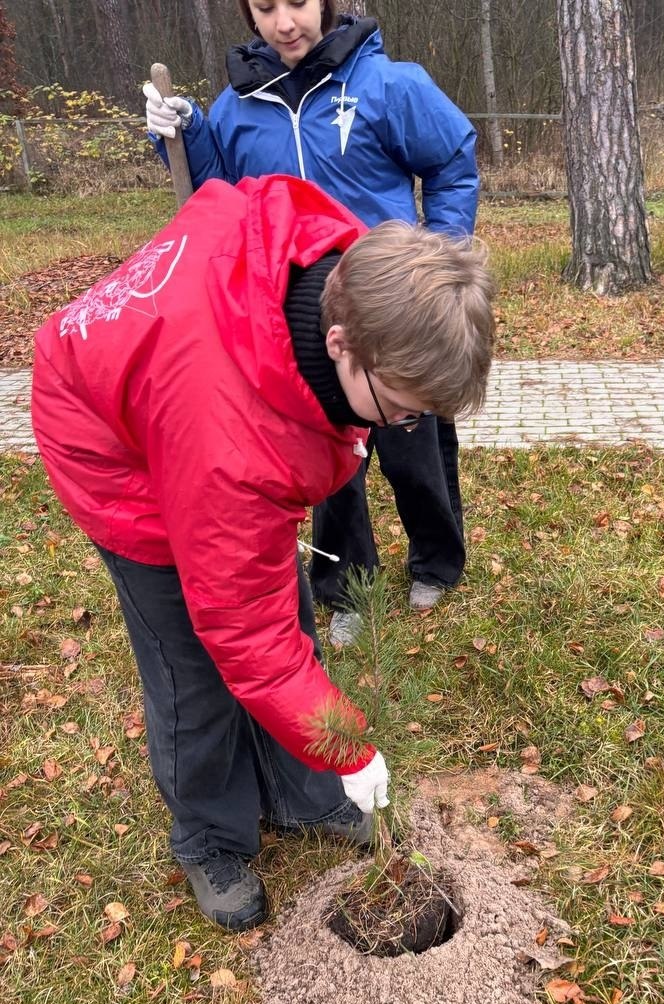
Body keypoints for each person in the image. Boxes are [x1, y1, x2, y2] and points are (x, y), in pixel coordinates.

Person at [31, 173, 495, 933]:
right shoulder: (229, 443)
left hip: (180, 391)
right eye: (403, 409)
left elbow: (270, 610)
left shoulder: (356, 269)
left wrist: (327, 748)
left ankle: (297, 794)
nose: (403, 428)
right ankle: (209, 836)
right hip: (113, 447)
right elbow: (247, 638)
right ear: (341, 344)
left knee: (285, 614)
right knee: (192, 667)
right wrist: (350, 748)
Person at [143, 0, 480, 646]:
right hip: (296, 323)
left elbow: (451, 158)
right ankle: (345, 587)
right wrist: (186, 135)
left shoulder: (386, 84)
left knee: (414, 446)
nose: (284, 22)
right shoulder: (237, 108)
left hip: (393, 305)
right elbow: (219, 199)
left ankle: (436, 560)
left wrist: (439, 256)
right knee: (328, 470)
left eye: (296, 2)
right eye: (265, 7)